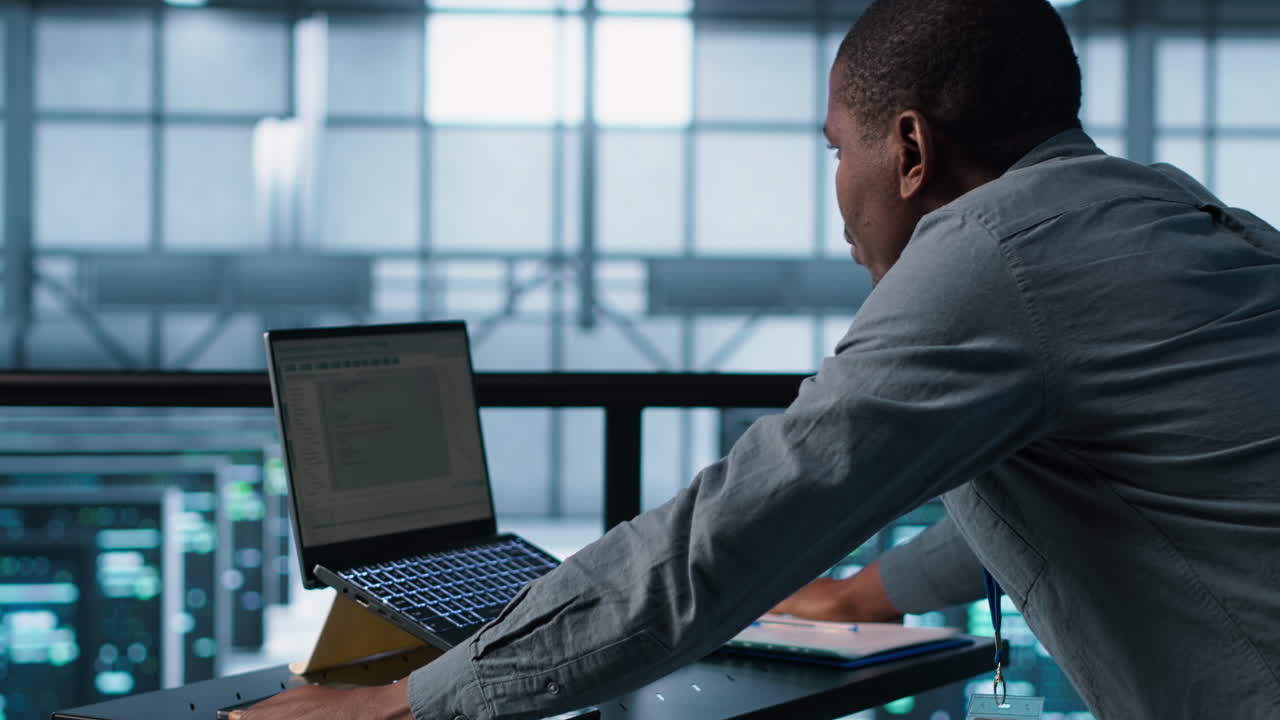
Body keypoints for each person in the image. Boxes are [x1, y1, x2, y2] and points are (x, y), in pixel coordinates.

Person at [236, 0, 1280, 717]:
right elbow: (1139, 484)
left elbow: (715, 545)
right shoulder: (1168, 208)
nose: (837, 194)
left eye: (837, 150)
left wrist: (396, 707)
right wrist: (866, 591)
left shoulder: (990, 258)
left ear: (909, 151)